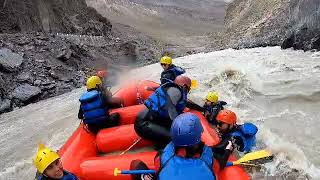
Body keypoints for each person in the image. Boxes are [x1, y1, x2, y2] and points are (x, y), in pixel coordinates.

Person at [130, 113, 233, 180]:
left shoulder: (163, 156)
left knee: (136, 164)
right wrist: (228, 150)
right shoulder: (208, 158)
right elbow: (220, 164)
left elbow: (158, 165)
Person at [134, 75, 202, 146]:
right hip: (144, 124)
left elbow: (187, 103)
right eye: (188, 88)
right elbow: (171, 109)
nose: (188, 91)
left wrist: (202, 109)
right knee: (178, 138)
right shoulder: (176, 91)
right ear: (184, 86)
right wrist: (181, 127)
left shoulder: (174, 89)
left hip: (153, 119)